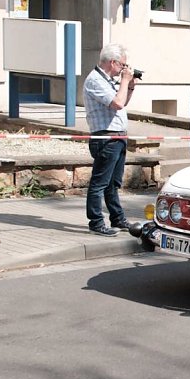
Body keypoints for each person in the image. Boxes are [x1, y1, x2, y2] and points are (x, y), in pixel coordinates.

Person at [83, 43, 136, 237]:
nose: (124, 68)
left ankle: (117, 218)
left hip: (118, 136)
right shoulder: (95, 80)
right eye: (122, 64)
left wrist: (129, 86)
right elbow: (117, 103)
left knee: (113, 184)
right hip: (106, 137)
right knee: (99, 183)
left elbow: (123, 101)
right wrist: (124, 81)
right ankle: (96, 222)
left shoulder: (109, 80)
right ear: (112, 62)